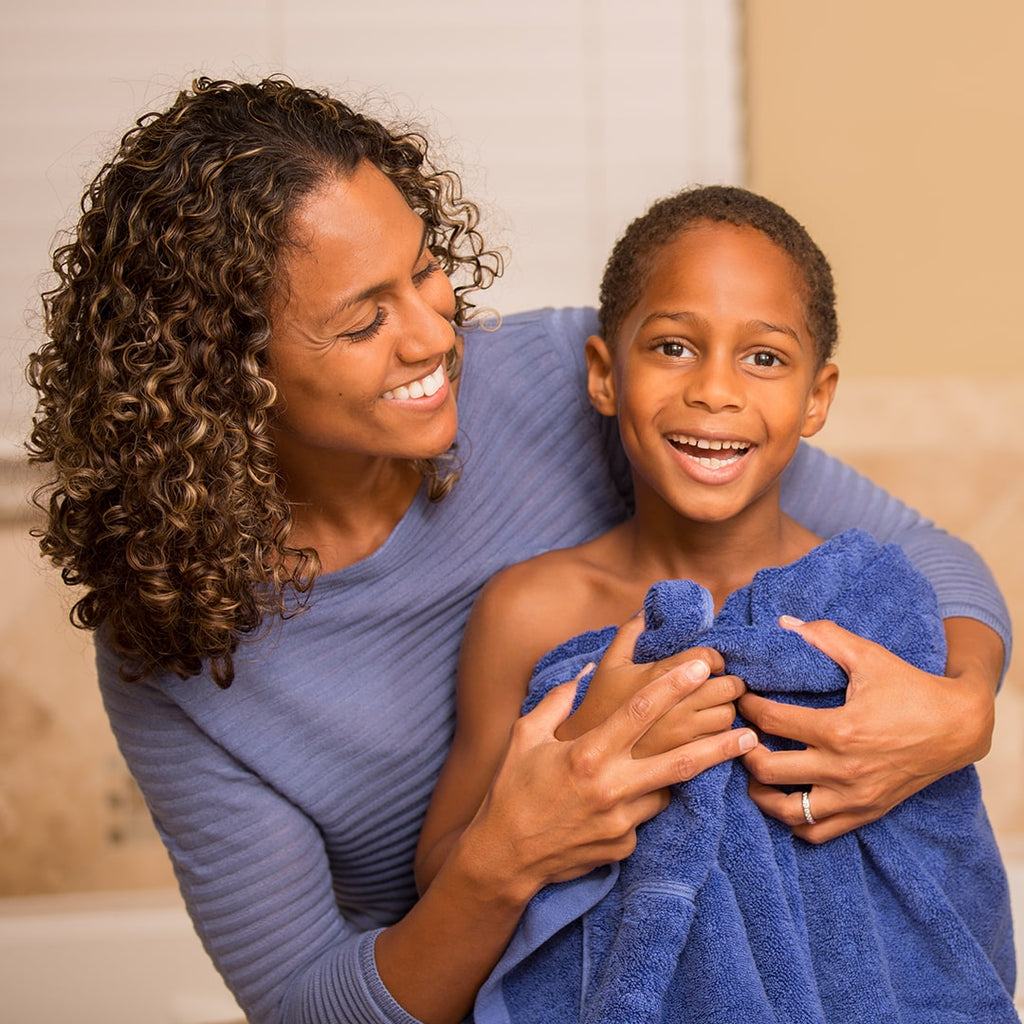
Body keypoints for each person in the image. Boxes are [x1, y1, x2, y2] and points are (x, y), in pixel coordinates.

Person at [25, 77, 1009, 1024]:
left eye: (421, 270)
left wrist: (960, 706)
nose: (433, 334)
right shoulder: (178, 649)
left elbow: (919, 555)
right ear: (228, 373)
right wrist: (510, 851)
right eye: (366, 318)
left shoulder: (556, 378)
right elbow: (300, 1005)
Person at [417, 185, 1016, 1021]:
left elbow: (945, 875)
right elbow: (445, 867)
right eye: (671, 346)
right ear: (603, 375)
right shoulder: (531, 608)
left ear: (817, 396)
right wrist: (583, 758)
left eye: (764, 358)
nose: (715, 390)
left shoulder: (869, 608)